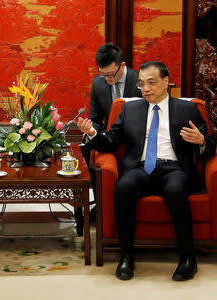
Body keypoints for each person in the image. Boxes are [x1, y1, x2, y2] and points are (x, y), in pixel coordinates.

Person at [75, 61, 216, 281]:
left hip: (174, 168)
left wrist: (201, 141)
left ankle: (188, 257)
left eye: (151, 82)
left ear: (166, 81)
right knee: (124, 187)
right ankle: (127, 256)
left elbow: (210, 147)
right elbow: (111, 142)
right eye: (141, 84)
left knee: (176, 190)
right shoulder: (129, 109)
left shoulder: (187, 109)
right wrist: (93, 133)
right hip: (141, 168)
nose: (146, 88)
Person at [84, 42, 142, 222]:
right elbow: (95, 116)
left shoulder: (139, 81)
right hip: (110, 136)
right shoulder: (98, 83)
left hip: (135, 137)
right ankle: (101, 202)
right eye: (103, 74)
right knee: (87, 146)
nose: (107, 78)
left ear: (121, 65)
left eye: (111, 74)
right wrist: (93, 131)